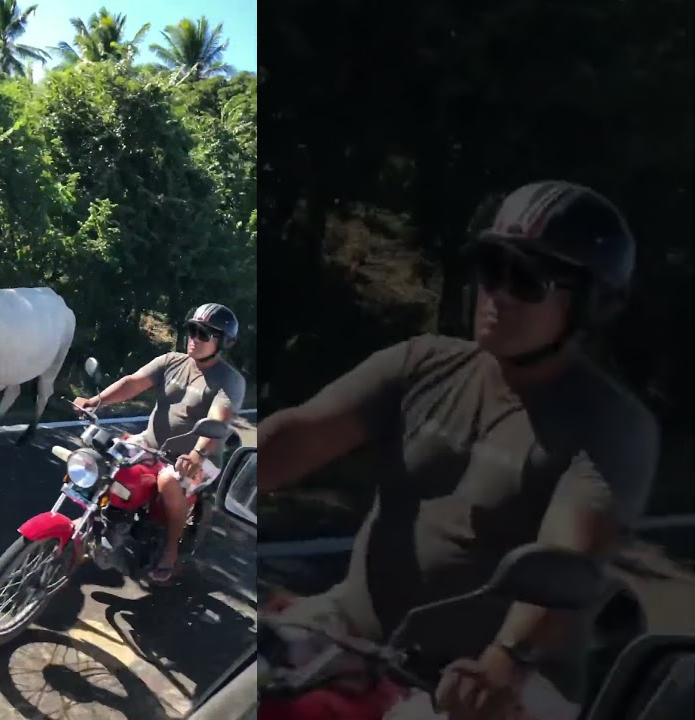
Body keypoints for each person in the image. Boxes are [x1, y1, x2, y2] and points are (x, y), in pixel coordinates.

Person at [258, 180, 659, 720]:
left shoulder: (610, 424)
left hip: (492, 684)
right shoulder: (422, 364)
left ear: (589, 305)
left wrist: (506, 659)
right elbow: (299, 435)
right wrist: (219, 471)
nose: (499, 293)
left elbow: (572, 553)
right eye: (492, 266)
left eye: (526, 278)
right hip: (349, 634)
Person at [74, 303, 247, 584]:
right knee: (99, 455)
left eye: (205, 334)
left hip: (199, 458)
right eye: (192, 330)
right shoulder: (170, 361)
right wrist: (96, 402)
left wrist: (197, 453)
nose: (195, 338)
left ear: (223, 342)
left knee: (168, 481)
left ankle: (170, 550)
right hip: (150, 443)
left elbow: (219, 418)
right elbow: (133, 383)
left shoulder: (230, 380)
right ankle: (94, 525)